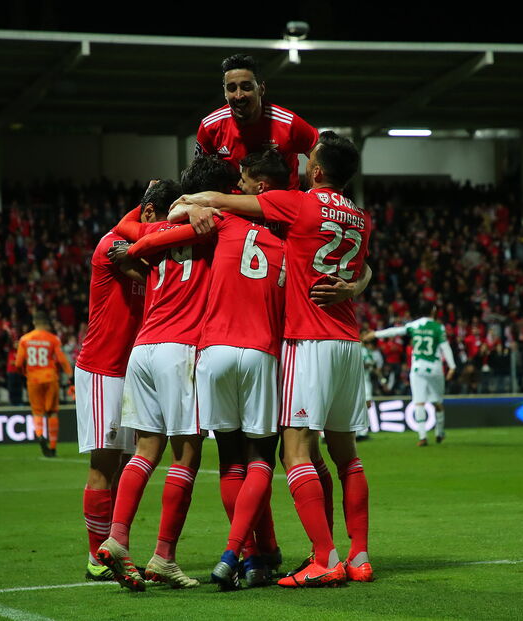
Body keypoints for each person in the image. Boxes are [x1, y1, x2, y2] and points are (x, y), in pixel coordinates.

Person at [173, 130, 373, 587]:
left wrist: (195, 200)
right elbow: (363, 268)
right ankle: (359, 555)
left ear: (318, 171)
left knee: (295, 450)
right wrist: (355, 287)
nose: (302, 165)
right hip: (348, 339)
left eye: (309, 161)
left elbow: (224, 201)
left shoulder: (299, 202)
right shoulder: (361, 218)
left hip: (309, 340)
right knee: (347, 456)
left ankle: (325, 557)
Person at [94, 160, 233, 592]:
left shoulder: (152, 233)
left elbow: (125, 229)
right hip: (181, 349)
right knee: (187, 454)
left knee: (145, 449)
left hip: (143, 348)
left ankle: (117, 539)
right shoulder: (216, 229)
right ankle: (164, 556)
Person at [76, 180, 177, 583]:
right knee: (104, 464)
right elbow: (150, 271)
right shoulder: (112, 245)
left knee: (123, 467)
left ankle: (115, 547)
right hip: (103, 367)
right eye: (162, 222)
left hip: (130, 367)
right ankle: (96, 556)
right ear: (149, 213)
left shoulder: (143, 245)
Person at [196, 54, 318, 189]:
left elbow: (322, 158)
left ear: (261, 89)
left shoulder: (288, 123)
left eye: (246, 87)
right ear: (225, 93)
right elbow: (199, 177)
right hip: (233, 206)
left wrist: (312, 196)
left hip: (282, 206)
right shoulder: (210, 127)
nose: (238, 95)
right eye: (231, 88)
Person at [364, 304, 456, 446]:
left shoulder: (414, 325)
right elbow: (445, 347)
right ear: (433, 311)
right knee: (437, 402)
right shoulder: (438, 327)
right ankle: (439, 432)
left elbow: (394, 331)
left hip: (418, 368)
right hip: (435, 368)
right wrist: (452, 367)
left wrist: (375, 334)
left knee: (419, 402)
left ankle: (422, 436)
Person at [15, 312, 72, 457]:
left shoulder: (25, 339)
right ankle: (53, 448)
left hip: (33, 379)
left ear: (34, 322)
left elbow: (18, 363)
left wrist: (25, 373)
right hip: (50, 377)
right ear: (46, 324)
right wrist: (70, 376)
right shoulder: (52, 339)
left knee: (37, 412)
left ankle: (40, 435)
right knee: (52, 412)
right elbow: (61, 360)